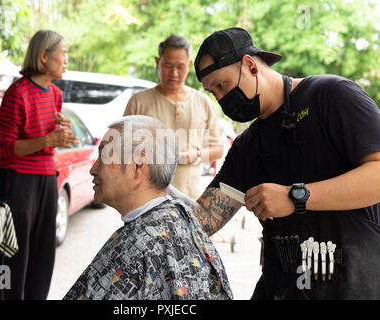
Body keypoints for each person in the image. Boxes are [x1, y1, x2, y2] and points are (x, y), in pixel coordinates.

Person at [168, 27, 380, 300]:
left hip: (353, 284)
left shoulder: (331, 95)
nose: (221, 99)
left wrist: (295, 197)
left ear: (250, 65)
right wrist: (154, 187)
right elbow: (204, 220)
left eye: (222, 86)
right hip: (283, 287)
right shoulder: (248, 147)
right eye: (212, 93)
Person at [63, 115, 232, 300]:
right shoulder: (177, 217)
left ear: (138, 165)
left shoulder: (143, 244)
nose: (93, 169)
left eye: (103, 157)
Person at [0, 30, 79, 300]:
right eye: (62, 53)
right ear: (44, 56)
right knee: (12, 253)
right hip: (18, 181)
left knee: (44, 252)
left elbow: (47, 140)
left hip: (46, 179)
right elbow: (4, 150)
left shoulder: (55, 94)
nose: (66, 59)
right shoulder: (17, 93)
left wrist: (60, 133)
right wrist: (48, 138)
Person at [124, 34, 223, 200]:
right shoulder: (138, 102)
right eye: (168, 66)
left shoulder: (203, 102)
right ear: (157, 63)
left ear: (190, 65)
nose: (174, 73)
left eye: (180, 67)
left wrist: (196, 155)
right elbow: (124, 150)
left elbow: (217, 150)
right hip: (146, 201)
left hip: (190, 199)